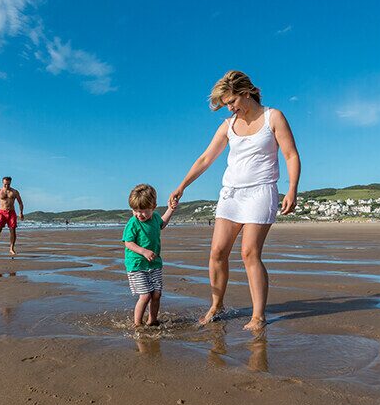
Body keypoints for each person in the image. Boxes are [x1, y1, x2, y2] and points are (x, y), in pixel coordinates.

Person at [169, 70, 302, 331]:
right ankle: (216, 306)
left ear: (246, 92)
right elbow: (205, 158)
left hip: (261, 191)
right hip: (231, 193)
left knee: (249, 252)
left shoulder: (272, 117)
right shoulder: (227, 125)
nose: (230, 108)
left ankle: (258, 316)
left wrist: (292, 189)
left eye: (232, 102)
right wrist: (182, 186)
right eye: (226, 104)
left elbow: (290, 155)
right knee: (217, 252)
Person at [122, 184, 178, 327]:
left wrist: (171, 209)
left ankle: (152, 320)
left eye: (143, 211)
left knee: (156, 294)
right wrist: (144, 251)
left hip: (154, 263)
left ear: (153, 207)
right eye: (135, 210)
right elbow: (128, 243)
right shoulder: (133, 223)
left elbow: (162, 223)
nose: (139, 214)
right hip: (137, 264)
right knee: (145, 295)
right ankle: (137, 324)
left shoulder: (155, 218)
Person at [0, 176, 24, 255]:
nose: (6, 186)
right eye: (5, 184)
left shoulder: (14, 192)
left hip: (11, 212)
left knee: (13, 231)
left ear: (10, 183)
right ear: (2, 183)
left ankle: (11, 248)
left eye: (8, 184)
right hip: (1, 213)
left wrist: (21, 212)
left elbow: (20, 203)